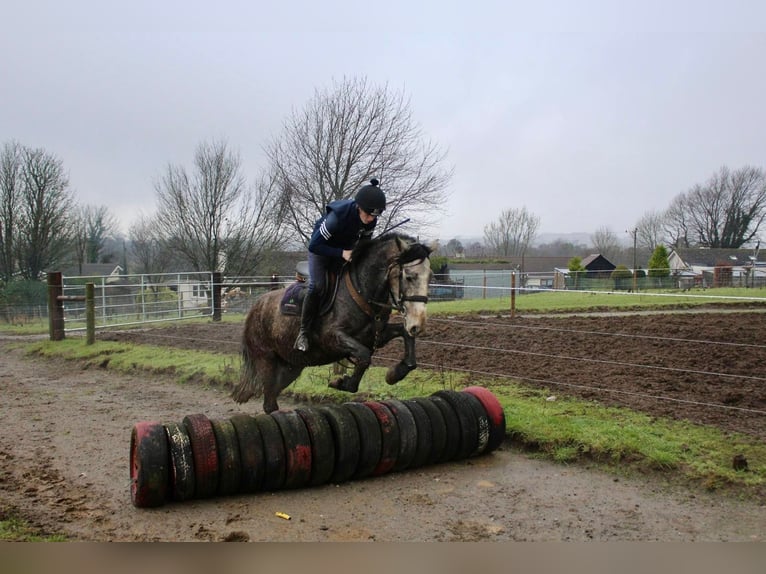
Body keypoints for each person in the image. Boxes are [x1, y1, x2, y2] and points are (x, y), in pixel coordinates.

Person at [294, 178, 387, 352]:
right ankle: (304, 332)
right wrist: (342, 253)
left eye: (374, 216)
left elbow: (364, 242)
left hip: (344, 251)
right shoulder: (336, 218)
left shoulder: (370, 219)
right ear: (358, 207)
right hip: (320, 252)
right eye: (368, 214)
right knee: (317, 286)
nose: (370, 219)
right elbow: (314, 245)